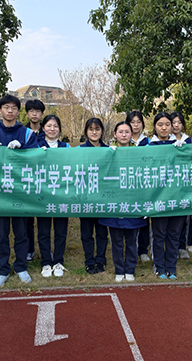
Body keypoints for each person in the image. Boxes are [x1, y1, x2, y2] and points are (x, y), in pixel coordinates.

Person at [0, 94, 38, 287]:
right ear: (0, 110)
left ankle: (21, 267)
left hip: (20, 192)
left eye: (13, 108)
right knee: (2, 234)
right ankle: (3, 269)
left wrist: (23, 149)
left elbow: (36, 158)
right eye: (6, 107)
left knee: (21, 233)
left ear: (18, 111)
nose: (10, 111)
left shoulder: (27, 134)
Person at [99, 122, 147, 282]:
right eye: (120, 132)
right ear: (115, 134)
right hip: (114, 202)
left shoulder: (139, 153)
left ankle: (130, 269)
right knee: (116, 240)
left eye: (127, 132)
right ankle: (119, 269)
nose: (124, 135)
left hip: (132, 202)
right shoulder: (107, 152)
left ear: (131, 134)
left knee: (132, 240)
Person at [149, 113, 184, 279]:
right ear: (154, 127)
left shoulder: (182, 146)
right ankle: (159, 266)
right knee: (159, 235)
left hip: (177, 198)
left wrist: (183, 151)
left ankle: (171, 267)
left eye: (167, 124)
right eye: (160, 124)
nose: (164, 128)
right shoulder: (148, 147)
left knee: (174, 234)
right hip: (158, 198)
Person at [36, 115, 70, 277]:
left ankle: (58, 261)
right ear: (43, 128)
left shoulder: (66, 146)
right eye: (49, 126)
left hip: (61, 194)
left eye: (55, 126)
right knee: (43, 230)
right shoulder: (36, 145)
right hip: (43, 195)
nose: (52, 129)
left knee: (60, 230)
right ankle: (45, 262)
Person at [79, 118, 109, 274]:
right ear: (86, 132)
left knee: (102, 232)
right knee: (86, 232)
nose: (94, 132)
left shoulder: (109, 150)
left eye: (97, 129)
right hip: (86, 197)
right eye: (91, 129)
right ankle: (89, 261)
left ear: (102, 131)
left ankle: (101, 260)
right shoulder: (79, 150)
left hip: (103, 197)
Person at [126, 112, 151, 262]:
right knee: (129, 216)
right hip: (127, 184)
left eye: (138, 122)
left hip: (144, 184)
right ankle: (131, 247)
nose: (135, 125)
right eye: (132, 122)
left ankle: (143, 249)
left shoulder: (148, 142)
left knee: (144, 217)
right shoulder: (122, 141)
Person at [24, 99, 46, 262]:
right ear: (27, 114)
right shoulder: (22, 132)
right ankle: (29, 249)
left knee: (44, 219)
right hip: (27, 181)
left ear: (42, 114)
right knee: (27, 220)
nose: (34, 114)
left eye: (37, 111)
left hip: (46, 181)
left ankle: (45, 251)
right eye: (31, 111)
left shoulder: (48, 131)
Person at [170, 112, 192, 260]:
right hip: (168, 185)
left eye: (179, 122)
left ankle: (182, 246)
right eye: (174, 122)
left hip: (184, 184)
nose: (176, 125)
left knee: (184, 217)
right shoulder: (164, 141)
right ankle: (170, 247)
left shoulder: (188, 141)